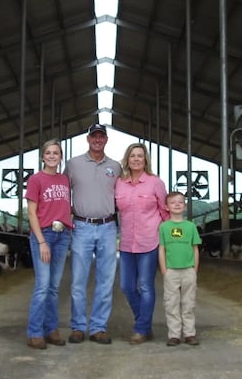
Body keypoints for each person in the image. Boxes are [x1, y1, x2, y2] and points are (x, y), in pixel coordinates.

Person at [64, 123, 122, 344]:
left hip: (108, 227)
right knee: (78, 280)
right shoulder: (73, 164)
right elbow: (62, 191)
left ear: (106, 140)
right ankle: (78, 326)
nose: (98, 140)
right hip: (82, 226)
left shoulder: (115, 167)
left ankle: (98, 327)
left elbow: (123, 195)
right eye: (94, 136)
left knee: (105, 280)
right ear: (88, 139)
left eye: (101, 136)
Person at [115, 143, 169, 345]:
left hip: (150, 241)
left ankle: (140, 329)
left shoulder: (155, 183)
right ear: (127, 160)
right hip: (127, 243)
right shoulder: (119, 183)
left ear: (145, 159)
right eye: (132, 156)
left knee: (146, 286)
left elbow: (165, 212)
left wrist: (168, 241)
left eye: (140, 156)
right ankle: (145, 325)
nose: (136, 159)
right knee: (126, 286)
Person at [25, 139, 73, 350]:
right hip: (43, 235)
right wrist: (41, 242)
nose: (52, 156)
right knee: (42, 286)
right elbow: (31, 213)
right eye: (49, 153)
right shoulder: (36, 180)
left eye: (56, 153)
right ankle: (35, 332)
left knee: (53, 287)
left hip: (63, 235)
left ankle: (51, 329)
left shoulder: (64, 180)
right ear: (42, 156)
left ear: (61, 157)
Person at [158, 191, 202, 347]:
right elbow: (161, 249)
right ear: (166, 207)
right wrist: (164, 270)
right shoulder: (164, 227)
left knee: (188, 302)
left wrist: (194, 269)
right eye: (173, 202)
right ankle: (174, 334)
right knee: (171, 302)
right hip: (171, 271)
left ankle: (190, 333)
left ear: (185, 206)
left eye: (180, 202)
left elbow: (195, 248)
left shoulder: (190, 226)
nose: (177, 205)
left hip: (188, 270)